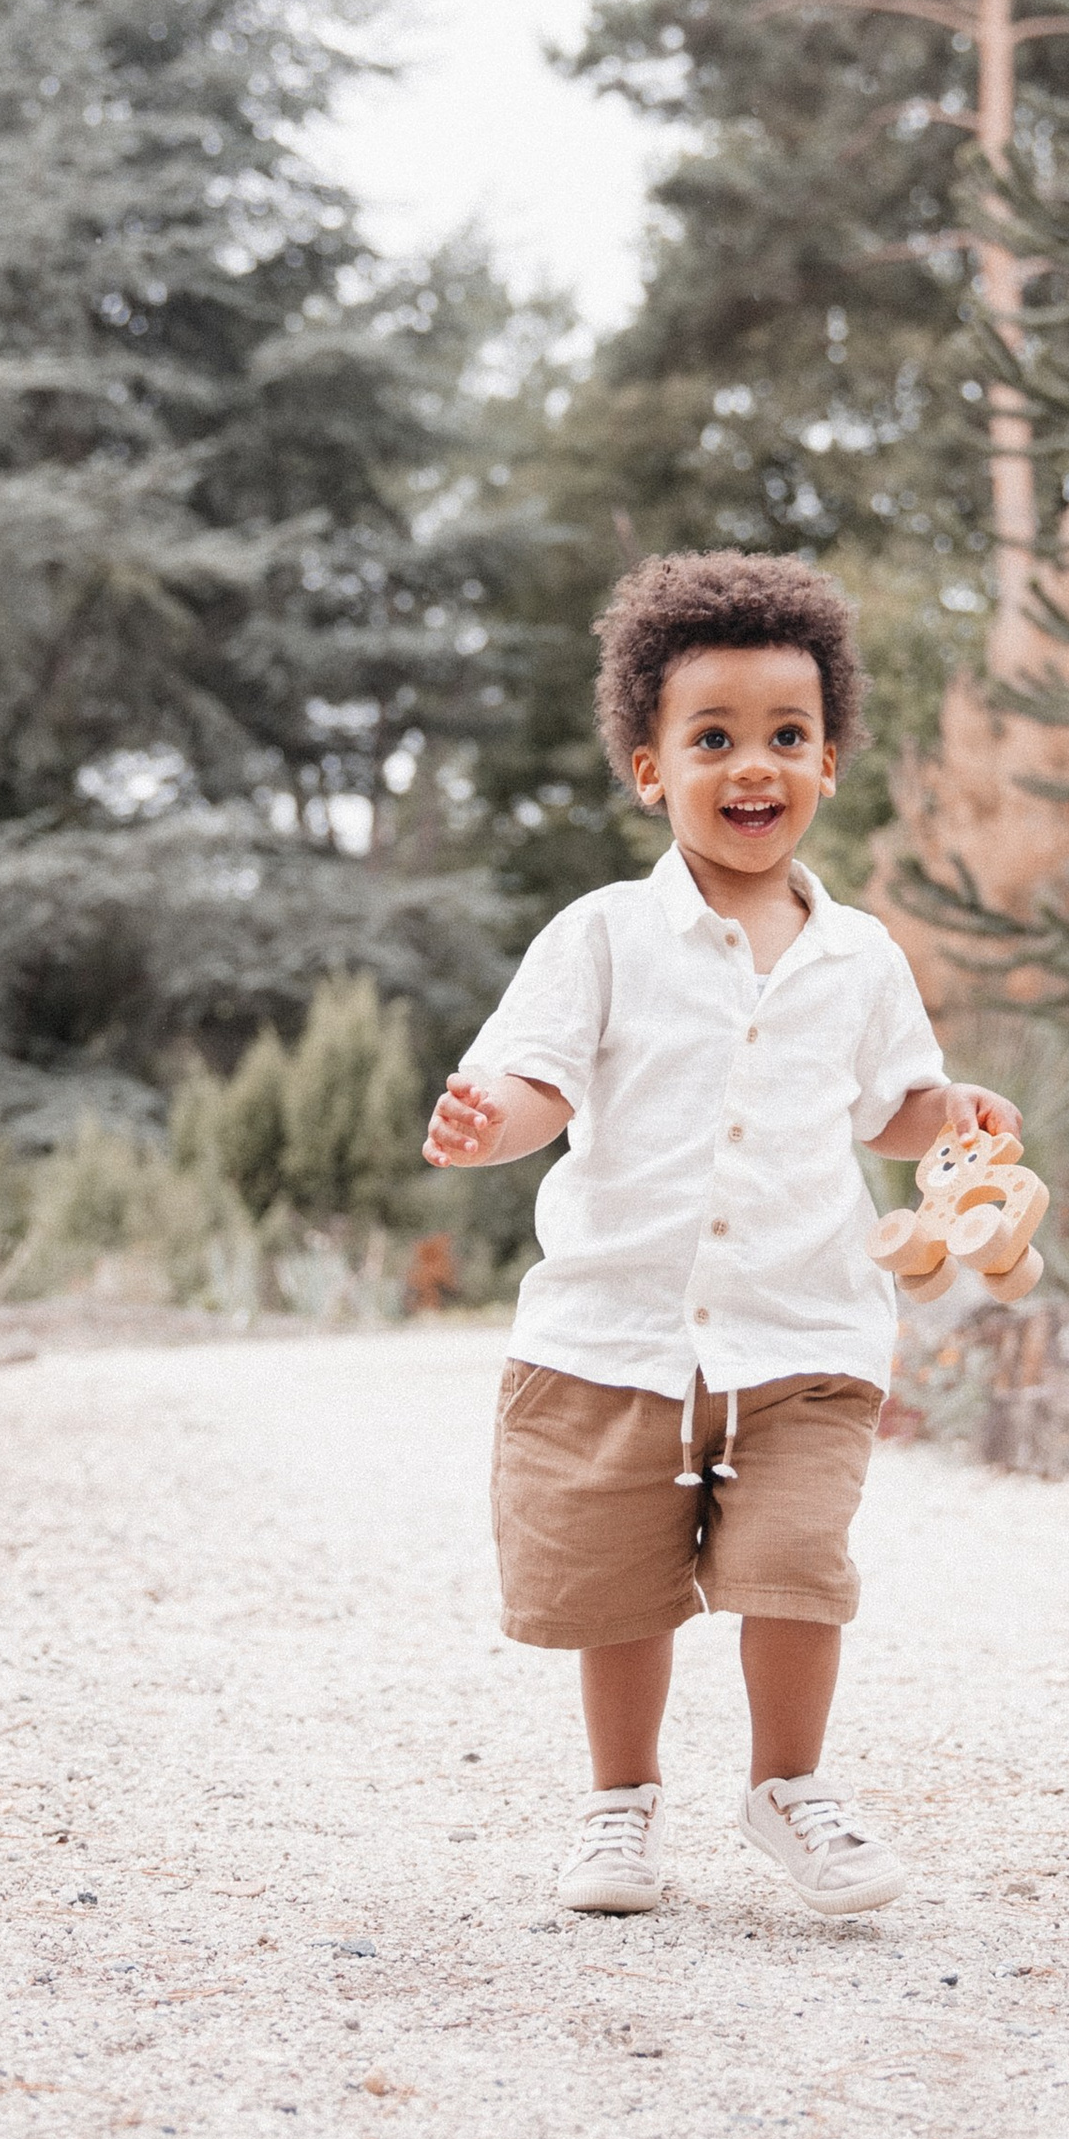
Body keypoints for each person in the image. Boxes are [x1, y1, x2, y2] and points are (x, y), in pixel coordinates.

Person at [425, 549, 1018, 1923]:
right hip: (617, 1335)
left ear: (827, 763)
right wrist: (488, 1120)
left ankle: (787, 1787)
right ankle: (620, 1804)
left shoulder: (861, 956)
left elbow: (892, 1106)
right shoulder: (605, 937)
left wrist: (952, 1110)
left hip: (806, 1330)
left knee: (798, 1562)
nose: (753, 766)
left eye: (786, 738)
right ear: (650, 771)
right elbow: (540, 1081)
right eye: (714, 740)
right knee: (619, 1587)